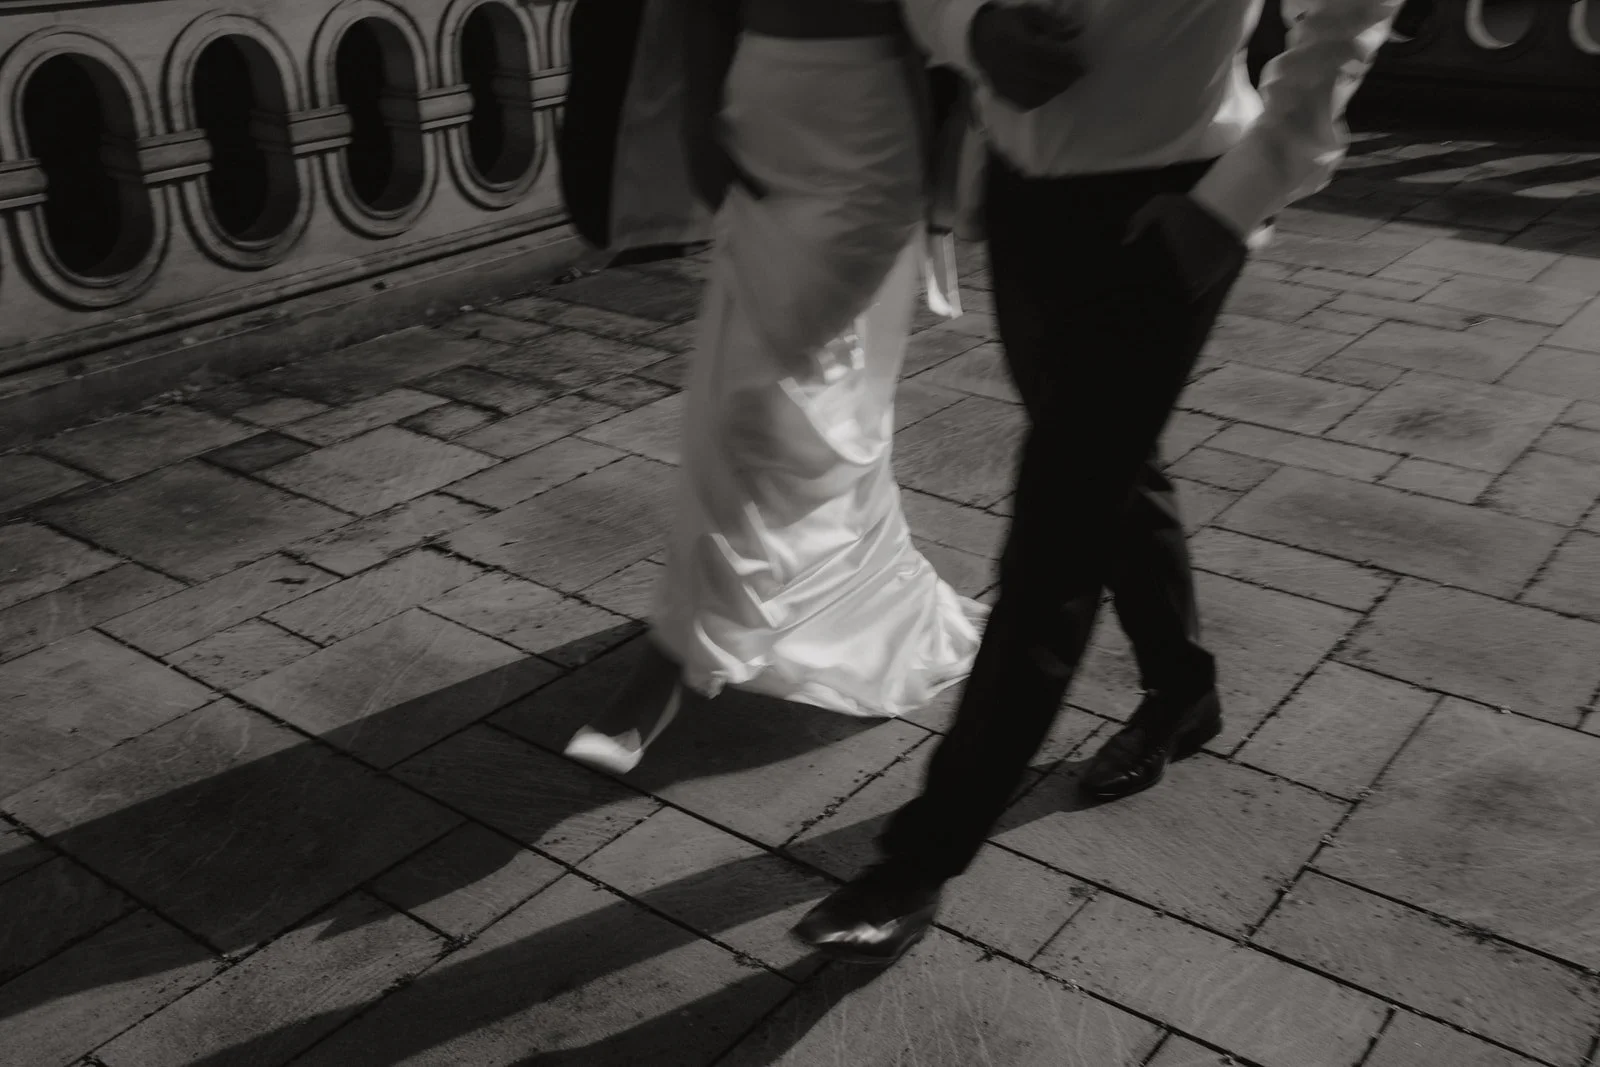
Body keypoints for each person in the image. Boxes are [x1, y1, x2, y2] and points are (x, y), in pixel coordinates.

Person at [794, 0, 1406, 964]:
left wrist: (1237, 202)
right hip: (1022, 192)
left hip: (1169, 206)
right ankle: (1181, 689)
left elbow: (1346, 21)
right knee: (1107, 464)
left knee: (1058, 528)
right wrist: (971, 28)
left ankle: (920, 855)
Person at [564, 0, 998, 774]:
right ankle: (847, 600)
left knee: (777, 408)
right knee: (749, 391)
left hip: (867, 135)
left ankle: (676, 661)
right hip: (758, 115)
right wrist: (700, 111)